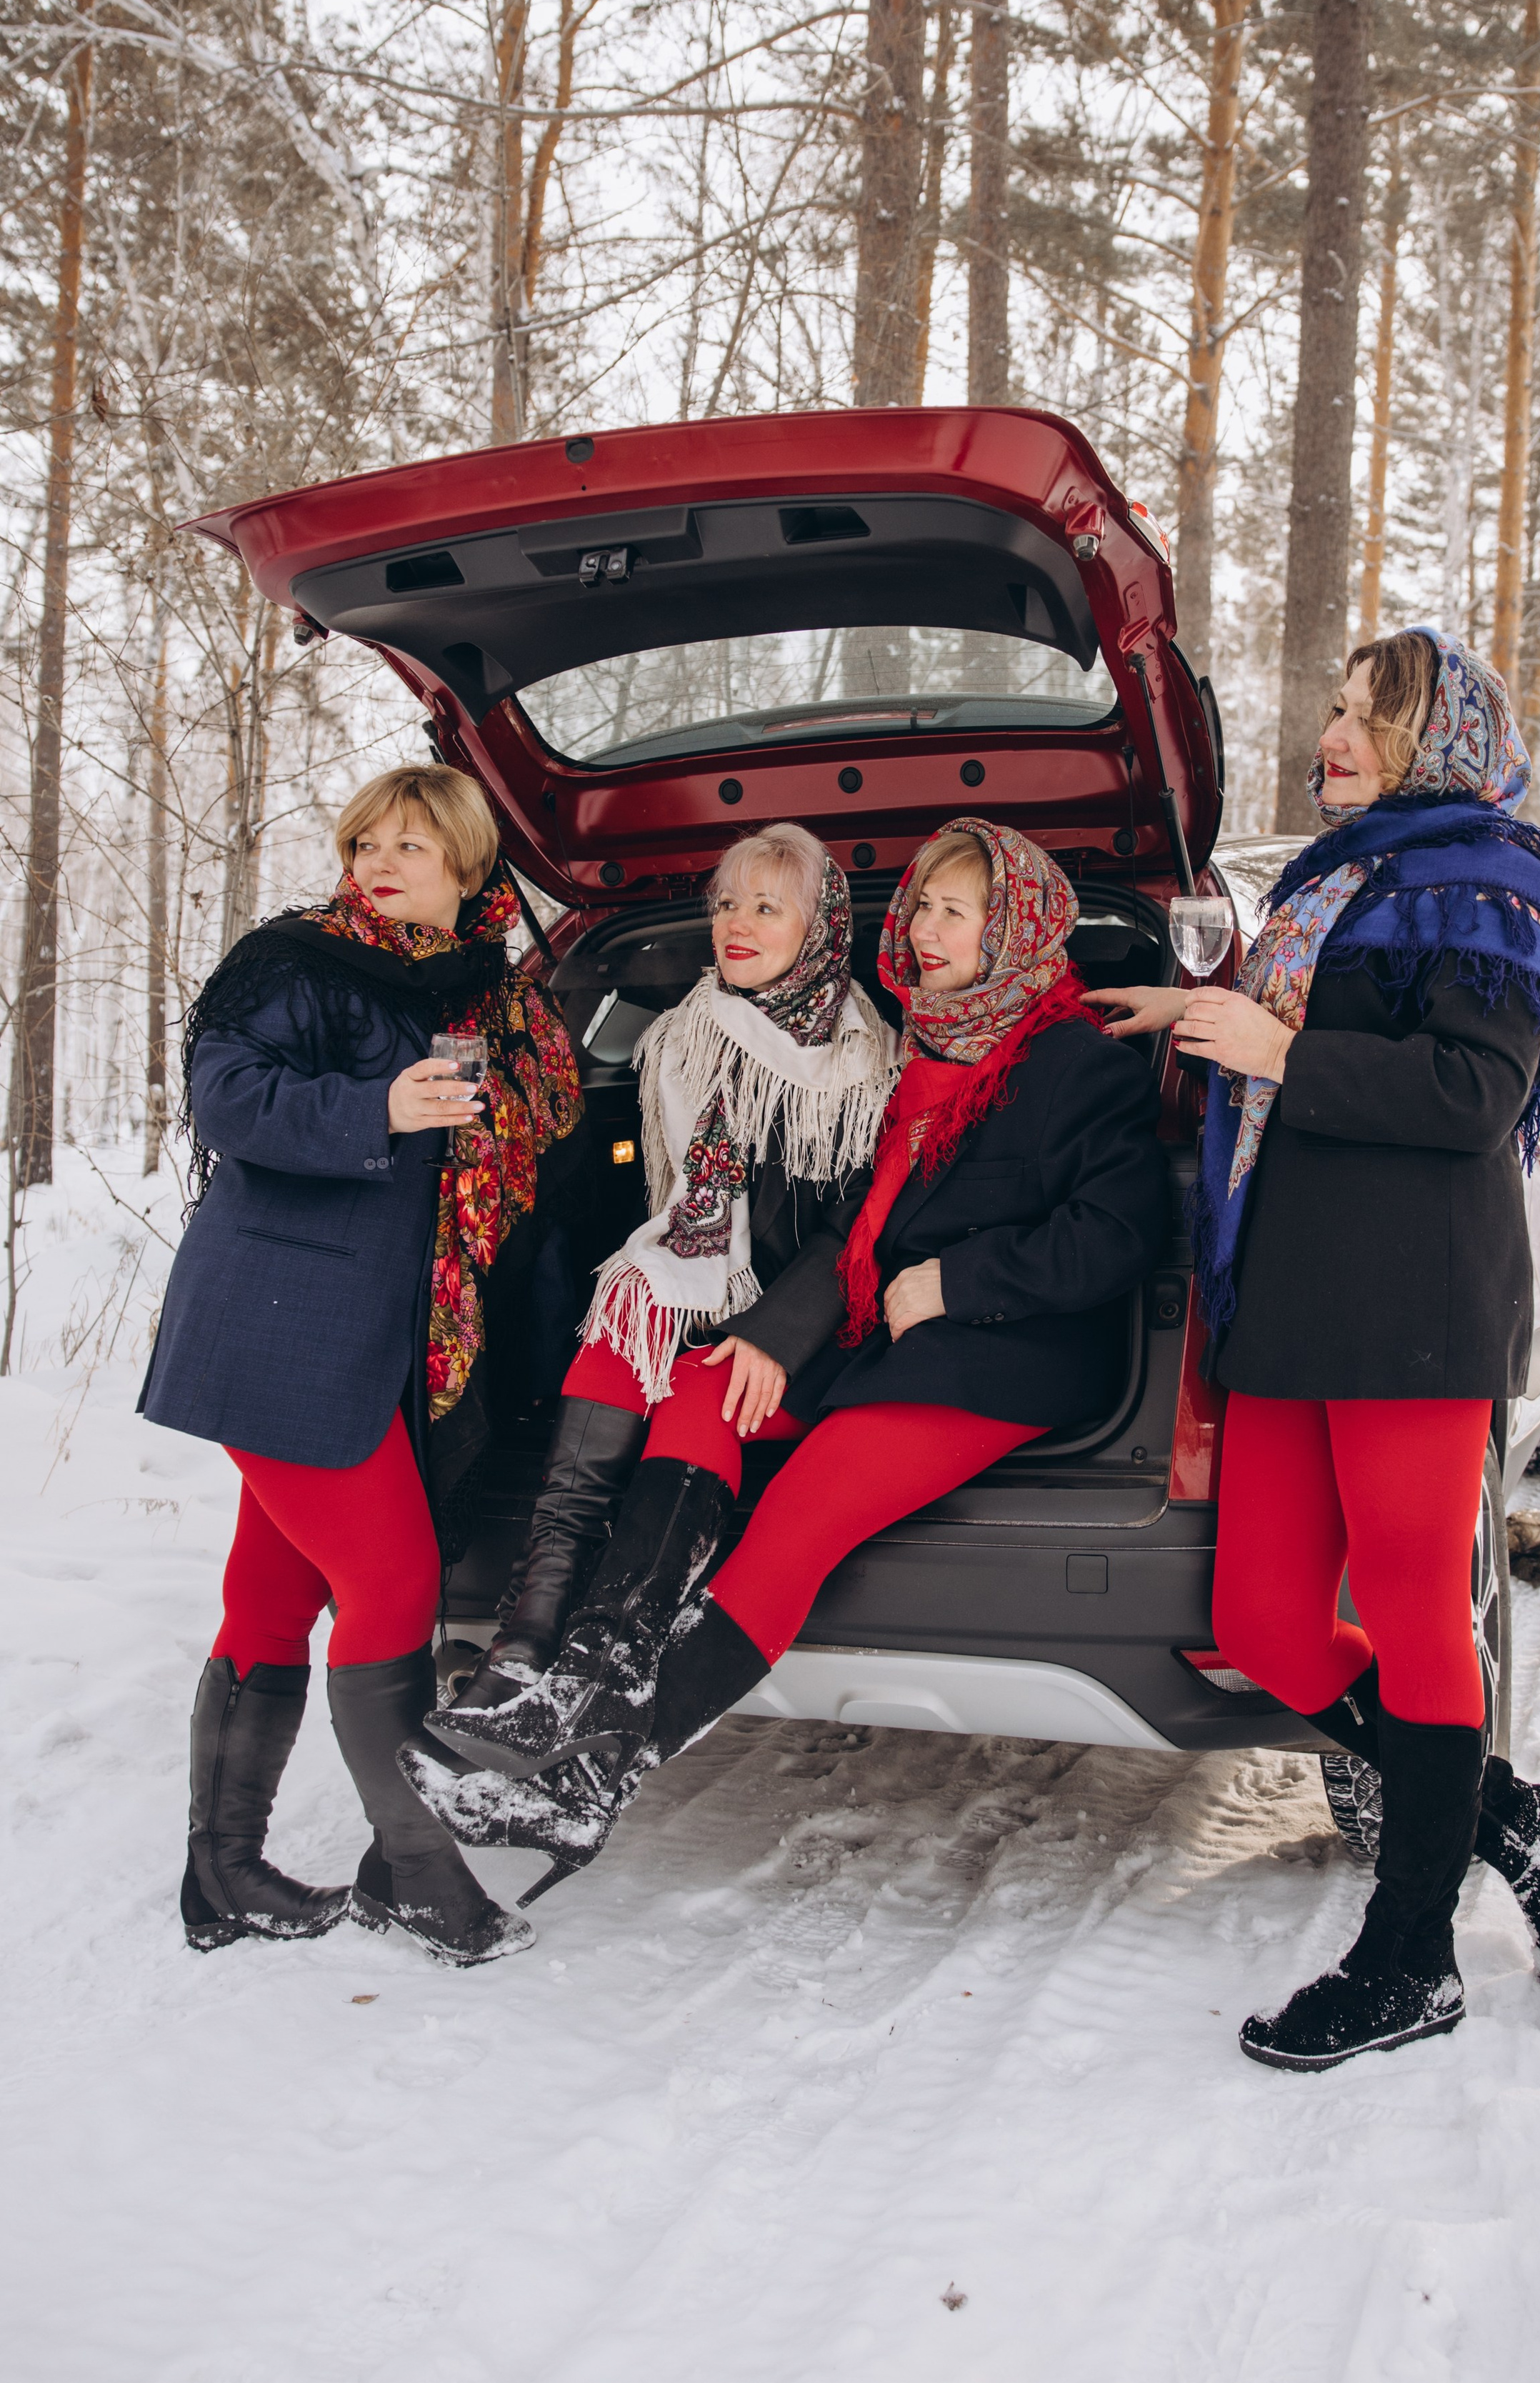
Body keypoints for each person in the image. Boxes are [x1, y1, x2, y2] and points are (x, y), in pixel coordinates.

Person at [407, 818, 1171, 1897]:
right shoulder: (919, 1053)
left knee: (801, 1509)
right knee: (705, 1390)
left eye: (960, 909)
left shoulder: (1076, 1063)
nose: (928, 927)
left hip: (1000, 1359)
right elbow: (852, 1224)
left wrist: (956, 1282)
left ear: (1018, 928)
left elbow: (1119, 1234)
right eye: (924, 908)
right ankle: (591, 1670)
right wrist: (772, 1335)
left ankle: (602, 1772)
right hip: (884, 1341)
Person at [1093, 628, 1540, 2071]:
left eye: (1367, 714)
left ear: (1436, 737)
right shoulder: (1342, 874)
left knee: (1408, 1617)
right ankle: (1522, 1820)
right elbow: (1294, 1021)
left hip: (1411, 1293)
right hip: (1291, 1290)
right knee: (1265, 1620)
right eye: (1331, 706)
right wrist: (1196, 1020)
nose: (1333, 732)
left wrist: (1276, 1059)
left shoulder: (1491, 883)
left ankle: (1411, 1957)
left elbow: (1471, 1091)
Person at [142, 763, 583, 1965]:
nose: (384, 863)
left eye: (416, 846)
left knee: (273, 1597)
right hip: (277, 1319)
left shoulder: (490, 995)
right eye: (369, 841)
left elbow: (541, 1130)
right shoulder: (299, 963)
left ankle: (220, 1876)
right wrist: (378, 1109)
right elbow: (227, 1100)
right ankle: (420, 1878)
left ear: (468, 871)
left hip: (373, 1342)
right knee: (395, 1583)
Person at [450, 821, 897, 1720]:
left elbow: (856, 1234)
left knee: (693, 1376)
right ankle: (528, 1637)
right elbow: (654, 1201)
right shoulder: (684, 1034)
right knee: (620, 1321)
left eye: (768, 906)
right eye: (727, 902)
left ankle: (604, 1649)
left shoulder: (868, 1064)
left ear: (818, 927)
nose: (736, 923)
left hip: (811, 1331)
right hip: (697, 1295)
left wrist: (768, 1334)